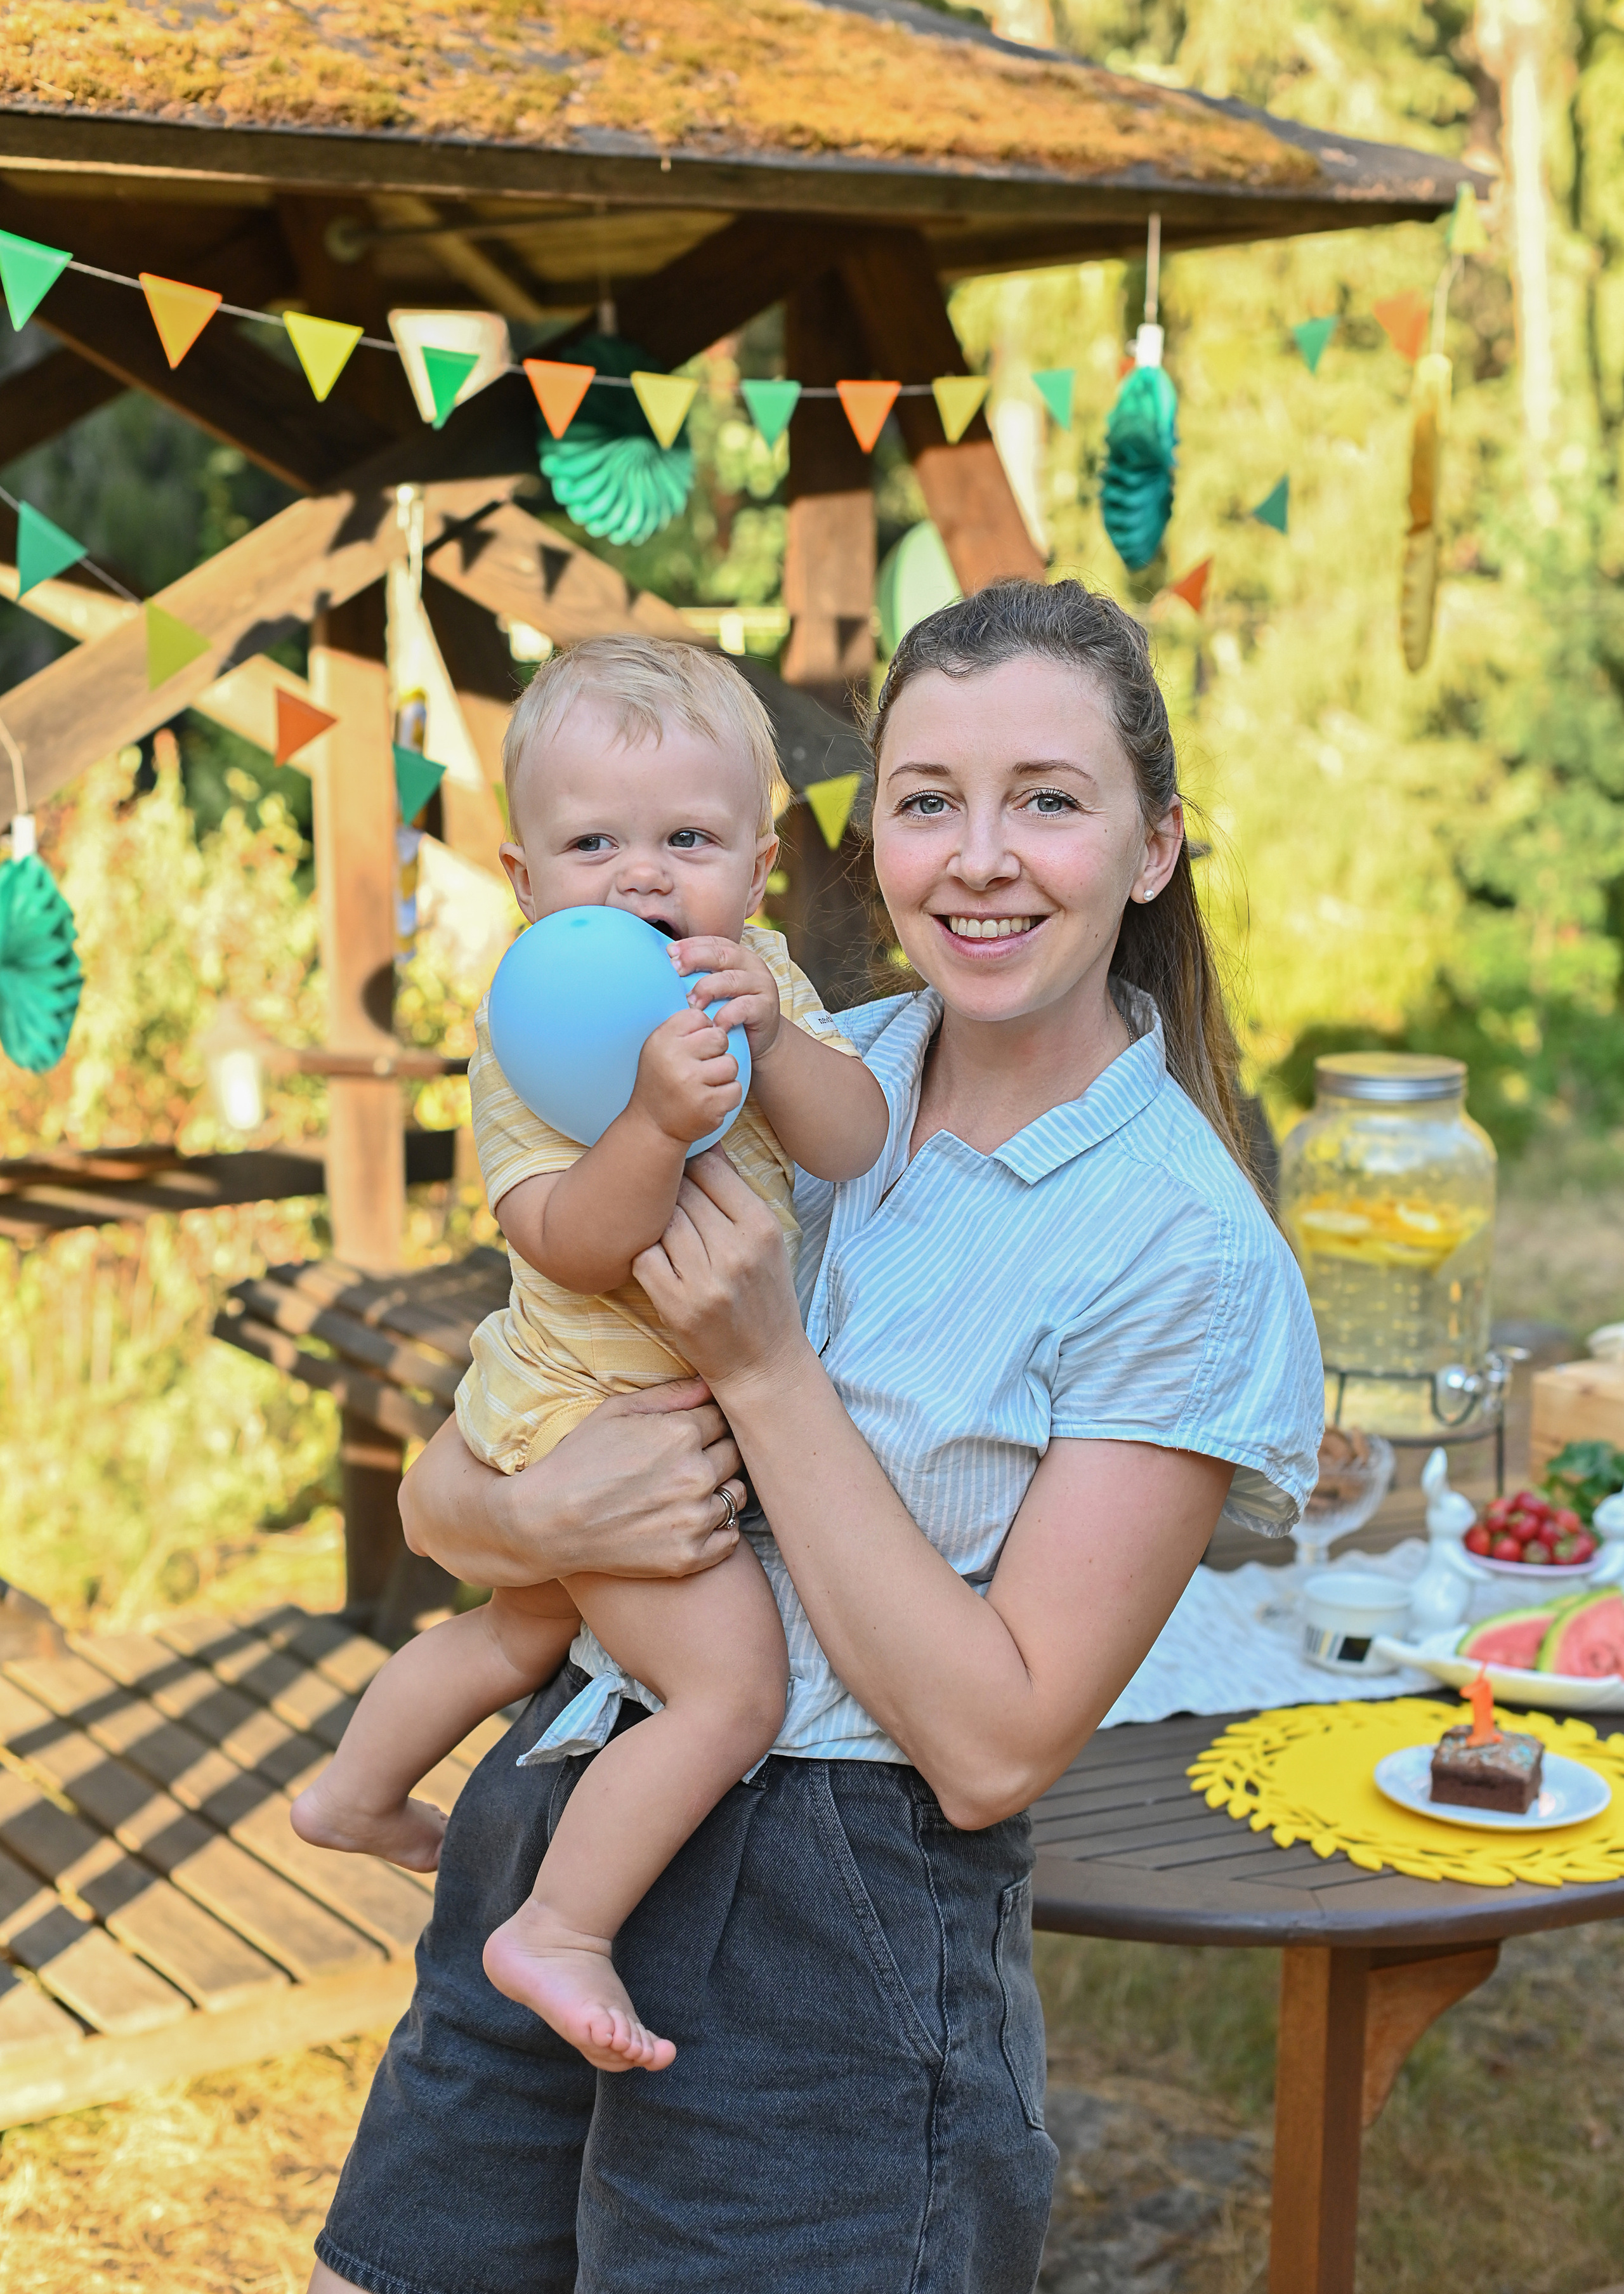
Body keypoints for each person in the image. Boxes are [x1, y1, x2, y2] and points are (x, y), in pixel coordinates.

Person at [308, 579, 1323, 2294]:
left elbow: (992, 1749)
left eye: (1046, 800)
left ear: (1153, 846)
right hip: (562, 1795)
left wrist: (766, 1370)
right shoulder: (766, 1063)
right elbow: (444, 1503)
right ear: (868, 845)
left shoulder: (1186, 1254)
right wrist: (540, 1516)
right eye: (928, 800)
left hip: (828, 1917)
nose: (979, 859)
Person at [291, 637, 889, 2072]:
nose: (640, 877)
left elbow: (854, 1142)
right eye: (593, 844)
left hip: (639, 1399)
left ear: (758, 868)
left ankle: (351, 1793)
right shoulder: (531, 1023)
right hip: (584, 1413)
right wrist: (652, 1124)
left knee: (519, 1632)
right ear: (522, 877)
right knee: (731, 1691)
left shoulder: (760, 979)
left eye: (687, 841)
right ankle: (557, 1927)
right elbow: (565, 1238)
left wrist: (777, 1046)